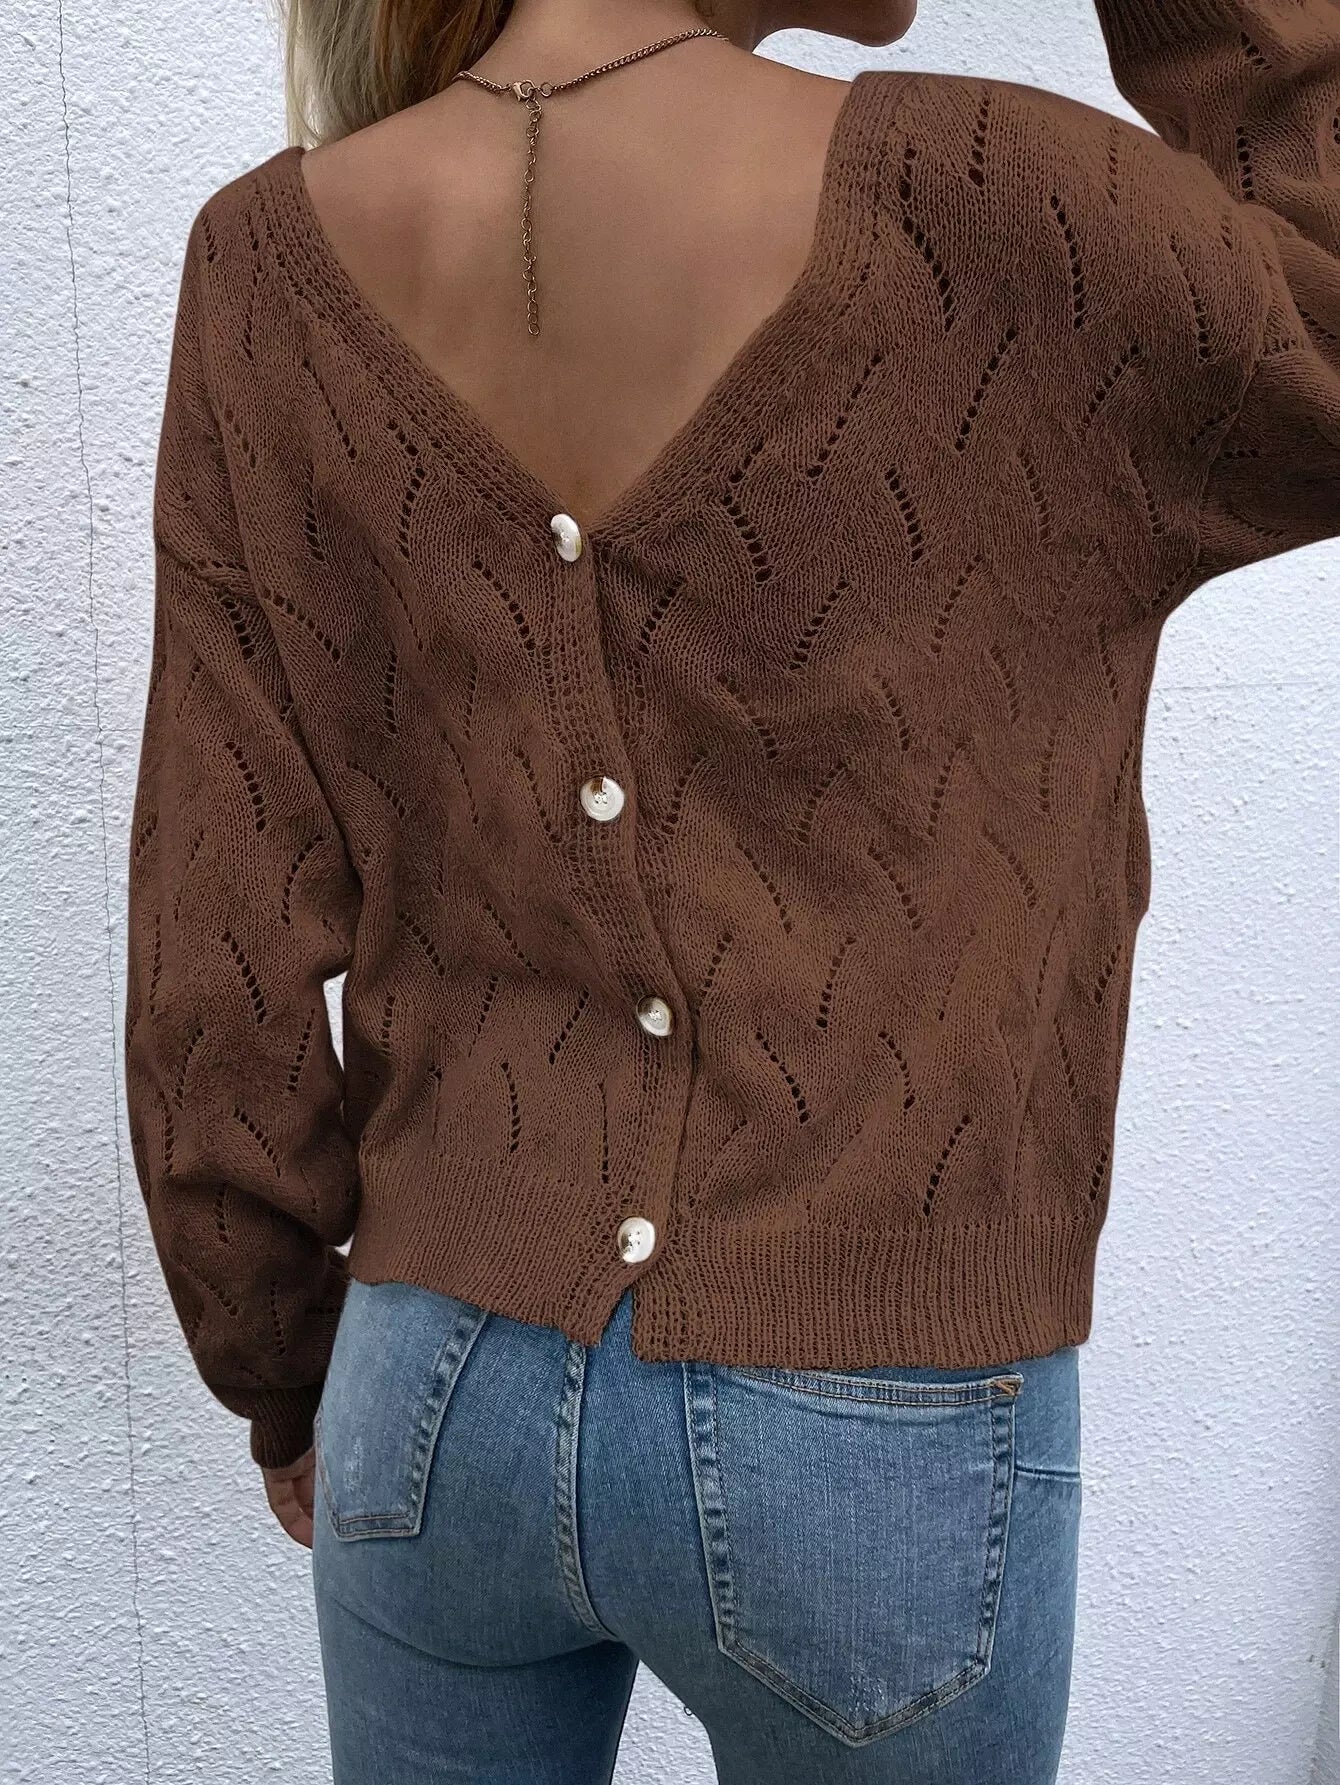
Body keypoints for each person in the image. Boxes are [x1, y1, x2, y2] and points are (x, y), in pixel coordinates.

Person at [121, 0, 1339, 1775]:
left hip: (429, 1391)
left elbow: (211, 964)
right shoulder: (997, 212)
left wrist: (287, 1368)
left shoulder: (267, 265)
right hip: (870, 1430)